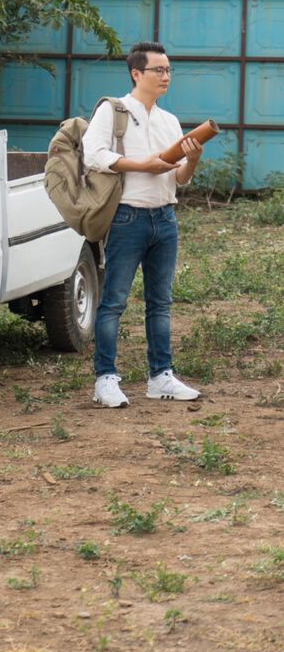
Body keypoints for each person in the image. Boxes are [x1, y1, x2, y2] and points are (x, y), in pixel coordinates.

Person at [83, 41, 203, 408]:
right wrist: (142, 165)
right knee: (114, 302)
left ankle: (160, 377)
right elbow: (94, 155)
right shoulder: (113, 111)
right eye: (158, 70)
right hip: (127, 217)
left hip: (165, 218)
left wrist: (193, 159)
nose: (166, 76)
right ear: (137, 73)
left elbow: (179, 178)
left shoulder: (169, 121)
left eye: (168, 70)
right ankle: (105, 379)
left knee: (161, 303)